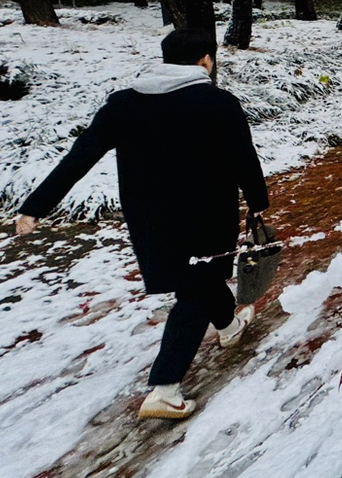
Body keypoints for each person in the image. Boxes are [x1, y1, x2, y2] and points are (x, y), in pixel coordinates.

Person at [14, 28, 270, 420]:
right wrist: (257, 203)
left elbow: (81, 154)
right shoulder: (216, 102)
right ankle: (165, 388)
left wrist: (36, 206)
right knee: (196, 289)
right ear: (206, 59)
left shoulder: (122, 104)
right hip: (206, 214)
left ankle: (230, 326)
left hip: (149, 218)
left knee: (198, 278)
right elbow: (243, 158)